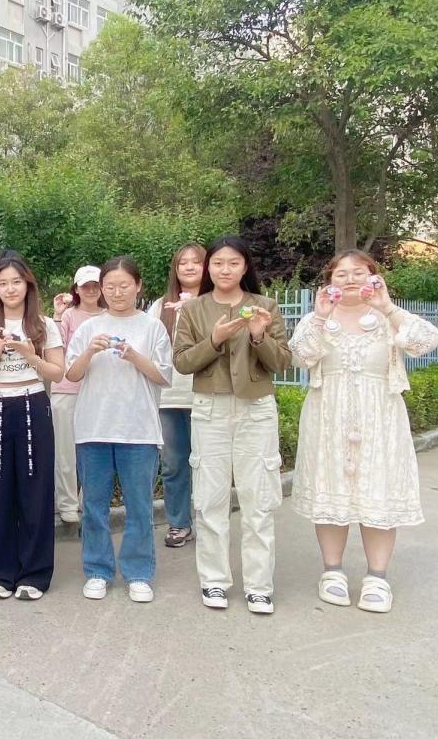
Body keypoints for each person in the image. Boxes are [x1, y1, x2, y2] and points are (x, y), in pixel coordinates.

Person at [290, 250, 438, 613]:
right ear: (330, 281)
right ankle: (332, 572)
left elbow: (426, 341)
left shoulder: (389, 318)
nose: (350, 279)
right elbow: (300, 356)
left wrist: (387, 307)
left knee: (379, 494)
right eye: (341, 274)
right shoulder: (316, 319)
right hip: (328, 418)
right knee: (330, 494)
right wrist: (320, 317)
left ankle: (377, 577)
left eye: (359, 272)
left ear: (374, 277)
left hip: (380, 420)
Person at [173, 235, 291, 615]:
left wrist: (258, 335)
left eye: (233, 263)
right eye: (218, 263)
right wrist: (214, 339)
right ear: (209, 267)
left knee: (258, 500)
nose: (225, 270)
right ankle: (214, 580)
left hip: (256, 409)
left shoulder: (265, 306)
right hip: (210, 409)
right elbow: (182, 362)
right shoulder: (194, 309)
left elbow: (281, 362)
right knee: (210, 500)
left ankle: (259, 585)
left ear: (245, 267)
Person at [65, 257, 172, 603]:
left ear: (138, 286)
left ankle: (138, 573)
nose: (116, 292)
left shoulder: (152, 327)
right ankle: (98, 571)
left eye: (124, 285)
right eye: (109, 286)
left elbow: (164, 376)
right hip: (93, 428)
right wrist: (90, 352)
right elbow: (72, 374)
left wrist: (134, 356)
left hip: (138, 430)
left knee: (139, 506)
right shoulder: (89, 328)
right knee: (93, 506)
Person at [0, 257, 65, 600]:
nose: (10, 289)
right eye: (3, 283)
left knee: (35, 490)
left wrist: (29, 354)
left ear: (28, 285)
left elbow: (57, 372)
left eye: (16, 282)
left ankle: (34, 575)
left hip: (32, 403)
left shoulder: (44, 325)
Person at [147, 243, 206, 548]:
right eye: (183, 263)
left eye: (196, 262)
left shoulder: (215, 302)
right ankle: (179, 523)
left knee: (208, 464)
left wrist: (197, 312)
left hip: (207, 396)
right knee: (173, 464)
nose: (189, 267)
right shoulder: (161, 306)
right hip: (169, 398)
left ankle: (210, 523)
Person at [50, 265, 106, 524]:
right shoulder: (68, 316)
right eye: (86, 286)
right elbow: (54, 346)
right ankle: (67, 503)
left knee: (96, 450)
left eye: (95, 285)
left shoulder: (109, 315)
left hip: (99, 391)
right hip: (67, 389)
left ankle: (90, 501)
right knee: (65, 451)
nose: (91, 290)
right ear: (76, 289)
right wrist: (57, 315)